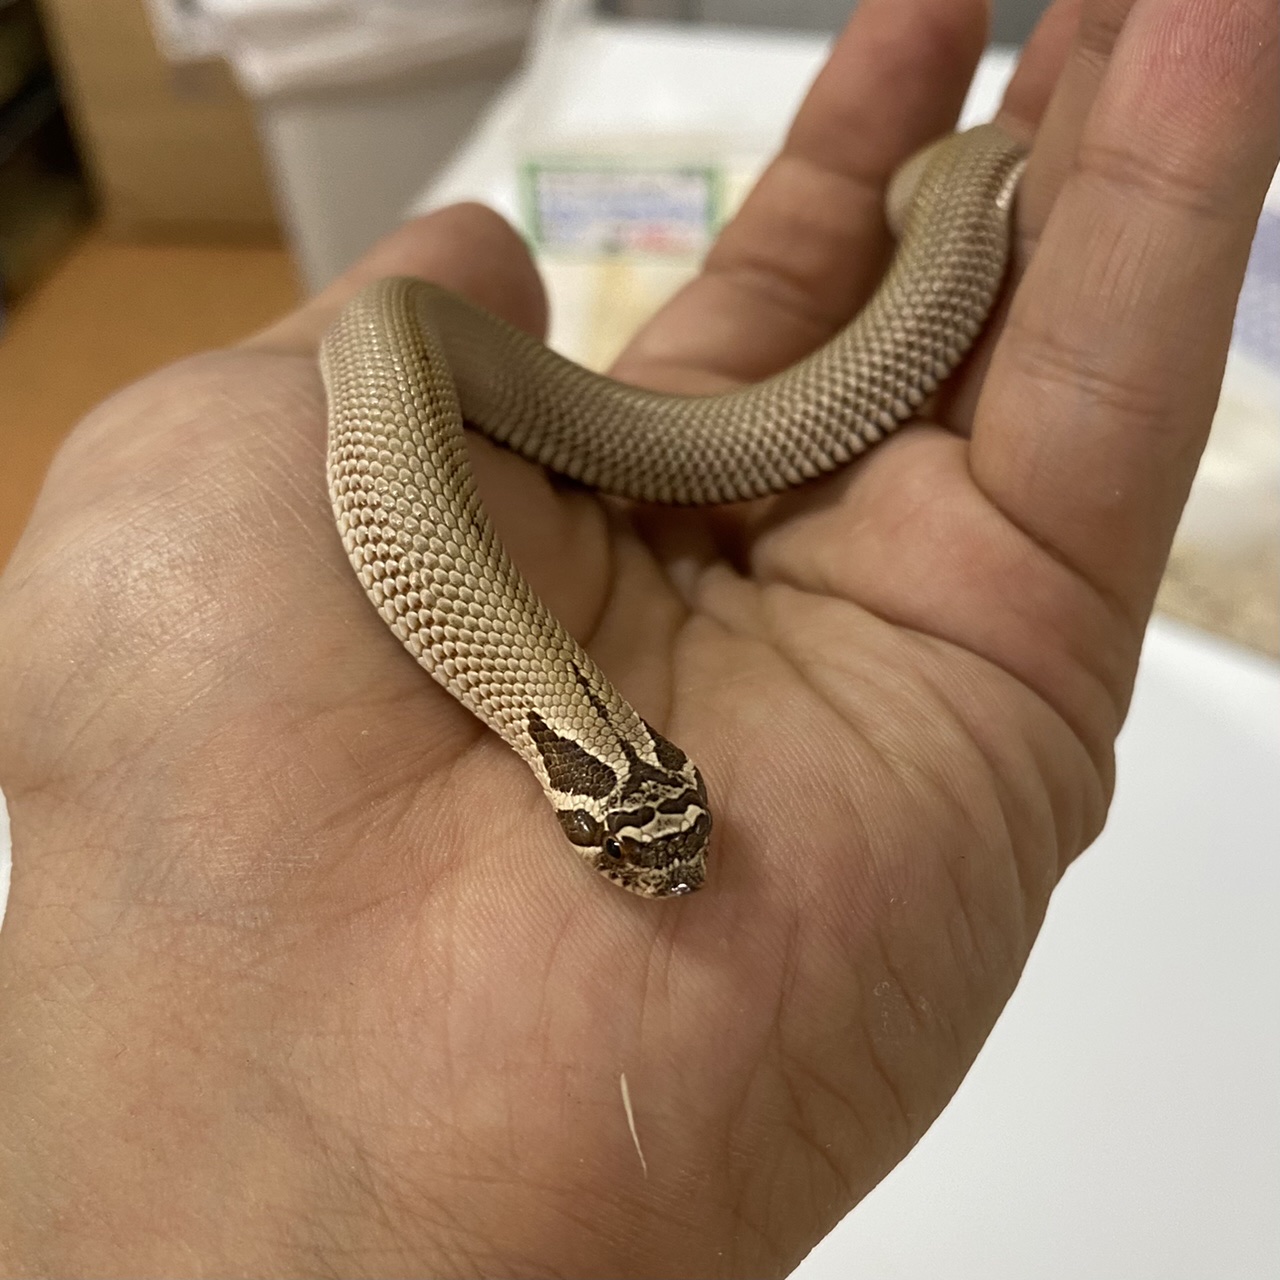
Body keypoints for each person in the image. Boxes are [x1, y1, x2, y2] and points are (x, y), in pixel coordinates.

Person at [0, 0, 1274, 1273]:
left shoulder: (516, 664)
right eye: (634, 842)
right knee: (396, 314)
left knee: (407, 306)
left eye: (653, 835)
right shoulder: (503, 660)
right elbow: (388, 324)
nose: (667, 871)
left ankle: (951, 188)